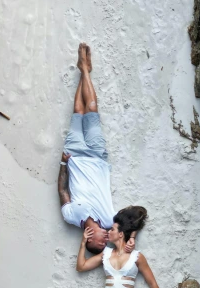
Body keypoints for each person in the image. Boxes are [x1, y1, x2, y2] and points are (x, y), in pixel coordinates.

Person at [57, 43, 135, 254]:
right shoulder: (110, 220)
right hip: (98, 157)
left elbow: (63, 190)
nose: (105, 241)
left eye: (101, 242)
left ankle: (84, 69)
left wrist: (64, 163)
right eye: (105, 243)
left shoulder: (72, 217)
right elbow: (135, 217)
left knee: (78, 112)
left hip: (73, 156)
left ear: (89, 237)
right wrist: (128, 240)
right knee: (92, 111)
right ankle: (84, 69)